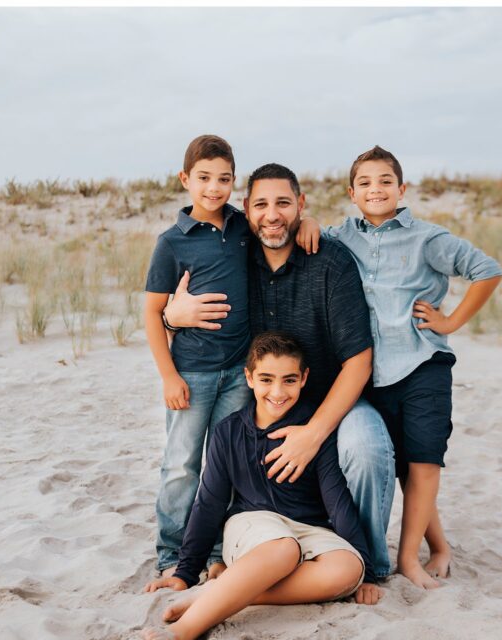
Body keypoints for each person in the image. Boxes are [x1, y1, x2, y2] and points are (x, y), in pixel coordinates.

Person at [163, 163, 397, 581]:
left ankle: (372, 565)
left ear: (301, 205)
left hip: (332, 398)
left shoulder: (330, 262)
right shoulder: (236, 256)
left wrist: (314, 433)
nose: (273, 215)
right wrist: (171, 317)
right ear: (246, 211)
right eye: (261, 205)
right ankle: (207, 556)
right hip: (270, 398)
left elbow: (358, 362)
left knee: (367, 449)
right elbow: (173, 295)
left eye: (284, 204)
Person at [324, 145, 502, 588]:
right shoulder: (341, 236)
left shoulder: (428, 238)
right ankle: (440, 545)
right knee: (403, 466)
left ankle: (408, 558)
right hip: (371, 373)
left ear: (401, 189)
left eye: (385, 181)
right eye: (365, 182)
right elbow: (307, 242)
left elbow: (487, 269)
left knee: (423, 464)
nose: (376, 189)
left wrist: (451, 321)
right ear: (351, 192)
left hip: (423, 364)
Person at [144, 136, 319, 580]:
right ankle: (171, 555)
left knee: (226, 463)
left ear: (233, 182)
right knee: (182, 463)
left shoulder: (243, 226)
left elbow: (278, 222)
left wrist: (310, 219)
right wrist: (168, 375)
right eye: (203, 178)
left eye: (223, 178)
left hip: (239, 372)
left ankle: (219, 552)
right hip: (192, 372)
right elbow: (151, 311)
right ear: (185, 179)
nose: (213, 187)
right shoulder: (172, 243)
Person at [141, 331, 381, 640]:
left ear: (304, 378)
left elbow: (337, 500)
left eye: (289, 380)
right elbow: (209, 503)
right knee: (282, 550)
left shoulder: (312, 430)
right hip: (253, 525)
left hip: (309, 529)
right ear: (249, 377)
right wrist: (185, 571)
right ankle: (187, 628)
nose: (277, 392)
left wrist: (365, 567)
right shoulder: (229, 432)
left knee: (348, 570)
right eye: (266, 379)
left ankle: (217, 591)